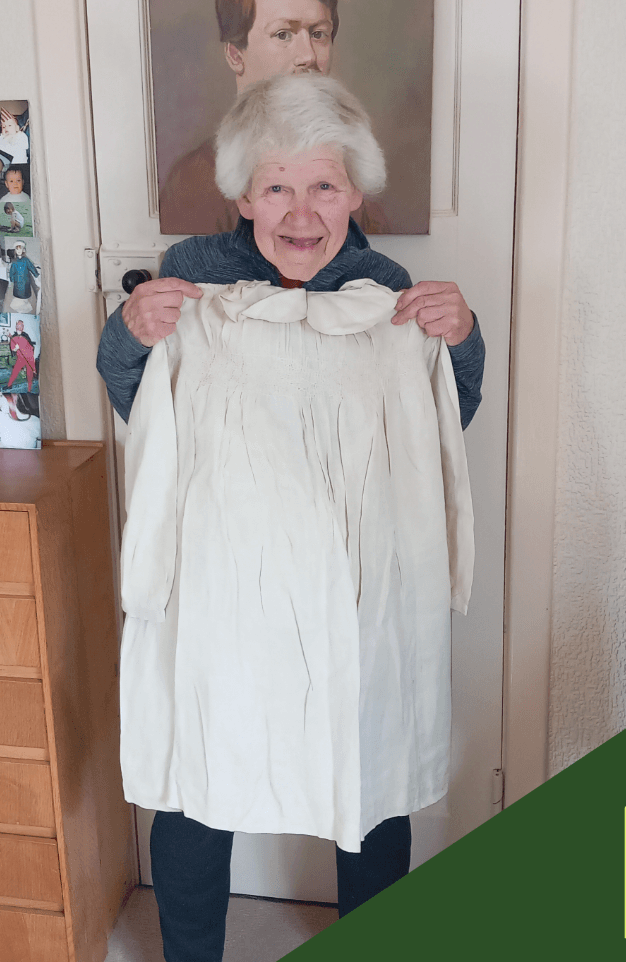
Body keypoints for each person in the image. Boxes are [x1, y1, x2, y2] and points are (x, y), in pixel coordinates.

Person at [96, 74, 484, 957]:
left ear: (355, 193)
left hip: (352, 582)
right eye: (277, 186)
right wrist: (131, 331)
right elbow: (138, 405)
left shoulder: (386, 287)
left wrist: (459, 340)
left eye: (324, 186)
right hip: (224, 579)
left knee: (368, 766)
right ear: (242, 195)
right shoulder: (192, 277)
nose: (300, 211)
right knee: (203, 773)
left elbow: (438, 425)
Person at [158, 0, 395, 237]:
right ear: (235, 54)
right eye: (283, 34)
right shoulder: (196, 181)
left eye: (318, 34)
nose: (308, 55)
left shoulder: (354, 176)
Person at [6, 240, 38, 313]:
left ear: (23, 250)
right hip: (17, 281)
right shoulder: (14, 261)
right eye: (17, 249)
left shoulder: (26, 260)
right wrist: (11, 279)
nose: (19, 251)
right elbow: (12, 271)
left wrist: (36, 275)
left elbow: (31, 267)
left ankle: (24, 301)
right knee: (18, 292)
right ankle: (19, 302)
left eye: (20, 249)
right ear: (15, 251)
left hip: (25, 280)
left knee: (25, 291)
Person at [5, 319, 36, 389]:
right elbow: (12, 348)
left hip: (28, 357)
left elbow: (31, 346)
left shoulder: (26, 335)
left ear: (23, 327)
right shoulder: (13, 336)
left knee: (29, 372)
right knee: (15, 371)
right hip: (20, 358)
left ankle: (30, 387)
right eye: (18, 325)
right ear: (15, 327)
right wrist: (15, 348)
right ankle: (9, 385)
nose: (19, 327)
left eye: (21, 326)